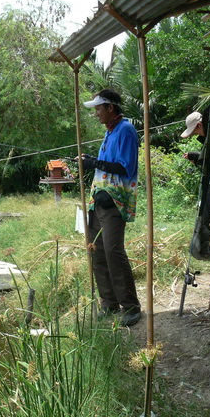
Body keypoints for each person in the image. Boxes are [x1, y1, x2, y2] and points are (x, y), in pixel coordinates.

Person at [79, 88, 141, 327]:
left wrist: (94, 162)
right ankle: (109, 303)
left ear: (110, 108)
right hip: (99, 202)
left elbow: (124, 167)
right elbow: (105, 166)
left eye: (98, 108)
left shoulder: (125, 130)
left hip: (115, 204)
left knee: (113, 252)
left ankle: (131, 306)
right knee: (97, 251)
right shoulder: (110, 132)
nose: (96, 113)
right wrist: (89, 161)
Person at [181, 106, 210, 260]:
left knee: (209, 219)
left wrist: (198, 157)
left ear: (200, 125)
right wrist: (197, 157)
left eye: (195, 132)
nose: (196, 135)